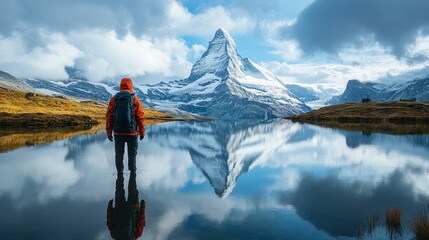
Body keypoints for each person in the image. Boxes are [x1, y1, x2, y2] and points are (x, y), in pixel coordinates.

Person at [106, 77, 145, 173]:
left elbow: (109, 116)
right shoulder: (135, 99)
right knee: (132, 155)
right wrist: (142, 132)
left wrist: (109, 132)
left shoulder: (114, 99)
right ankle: (132, 176)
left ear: (120, 86)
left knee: (119, 155)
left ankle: (119, 174)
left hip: (118, 133)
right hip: (132, 133)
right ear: (131, 85)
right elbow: (140, 117)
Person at [107, 172, 146, 239]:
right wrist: (109, 207)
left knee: (132, 181)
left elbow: (141, 222)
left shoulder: (136, 235)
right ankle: (120, 166)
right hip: (120, 207)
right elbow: (110, 221)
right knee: (119, 183)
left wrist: (143, 207)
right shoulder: (115, 235)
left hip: (132, 207)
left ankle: (132, 165)